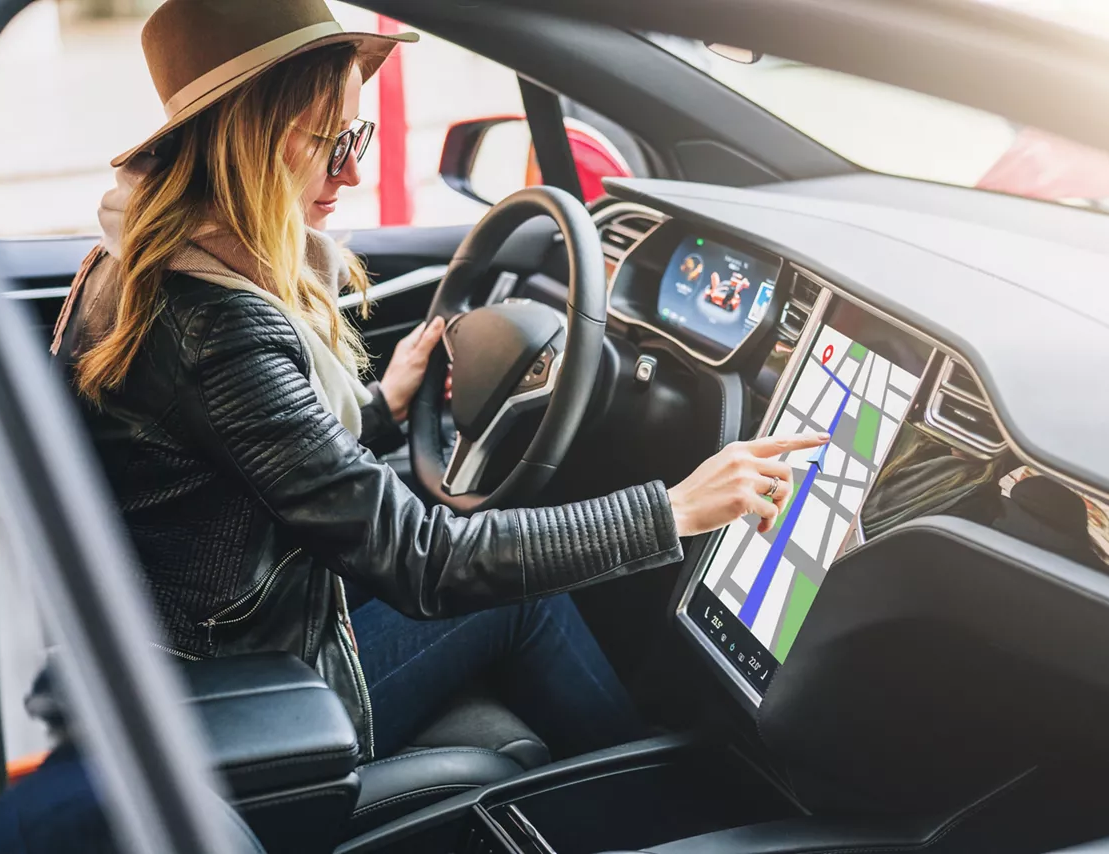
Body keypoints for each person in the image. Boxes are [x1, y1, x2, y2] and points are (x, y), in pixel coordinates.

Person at [50, 0, 825, 763]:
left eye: (359, 135)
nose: (352, 170)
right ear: (252, 142)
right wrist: (675, 509)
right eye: (332, 140)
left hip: (189, 649)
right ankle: (669, 810)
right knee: (525, 601)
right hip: (250, 700)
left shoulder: (130, 264)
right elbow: (424, 562)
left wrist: (385, 408)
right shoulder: (218, 328)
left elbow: (260, 467)